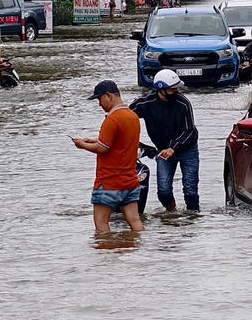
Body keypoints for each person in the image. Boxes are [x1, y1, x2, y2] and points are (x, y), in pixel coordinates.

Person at [73, 80, 144, 233]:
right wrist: (95, 141)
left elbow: (102, 148)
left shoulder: (112, 119)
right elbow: (120, 143)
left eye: (99, 99)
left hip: (109, 182)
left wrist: (82, 145)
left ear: (109, 96)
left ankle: (106, 254)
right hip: (130, 181)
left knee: (101, 224)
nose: (99, 104)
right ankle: (141, 254)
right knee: (135, 221)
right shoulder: (133, 117)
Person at [130, 69, 200, 212]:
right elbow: (125, 117)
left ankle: (193, 218)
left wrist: (173, 147)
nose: (175, 91)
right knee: (163, 191)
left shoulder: (183, 103)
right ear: (160, 89)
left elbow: (189, 130)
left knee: (190, 190)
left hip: (188, 149)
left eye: (176, 88)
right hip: (162, 150)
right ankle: (172, 213)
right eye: (171, 89)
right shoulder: (145, 103)